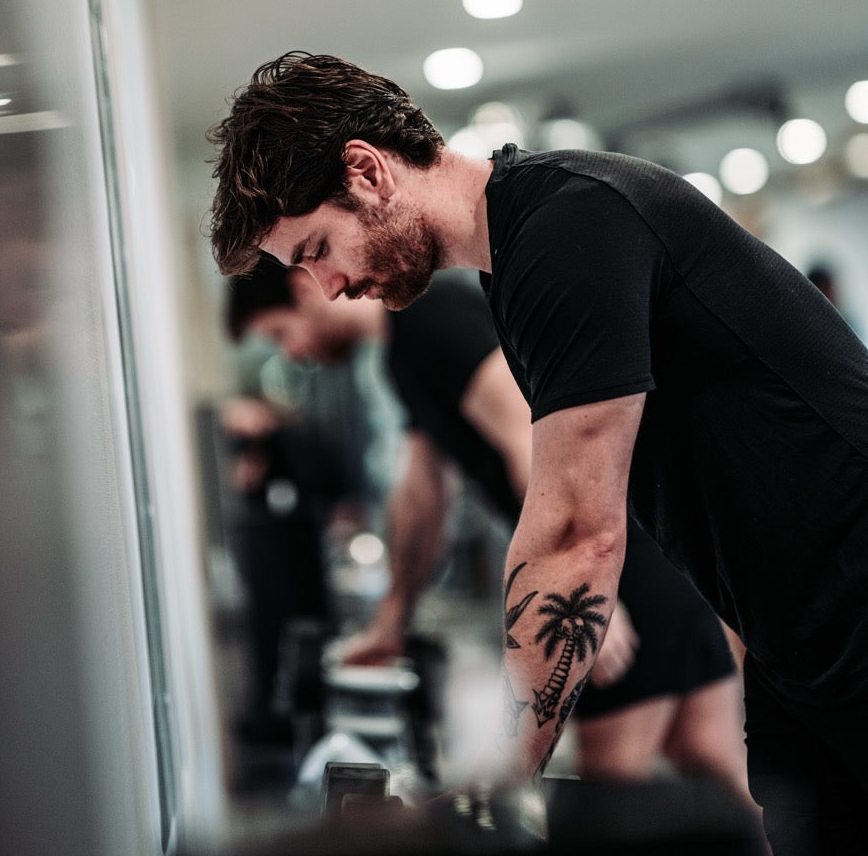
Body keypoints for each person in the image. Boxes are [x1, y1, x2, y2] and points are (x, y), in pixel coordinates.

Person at [208, 52, 868, 856]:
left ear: (367, 171)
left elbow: (573, 534)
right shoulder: (519, 260)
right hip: (793, 632)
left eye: (316, 248)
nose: (329, 284)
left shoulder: (567, 227)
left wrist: (492, 783)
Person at [228, 258, 750, 792]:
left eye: (279, 333)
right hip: (645, 555)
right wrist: (391, 620)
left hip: (623, 568)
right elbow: (423, 498)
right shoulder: (403, 352)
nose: (291, 353)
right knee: (724, 788)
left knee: (613, 813)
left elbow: (527, 434)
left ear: (302, 289)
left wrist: (587, 584)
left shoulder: (430, 319)